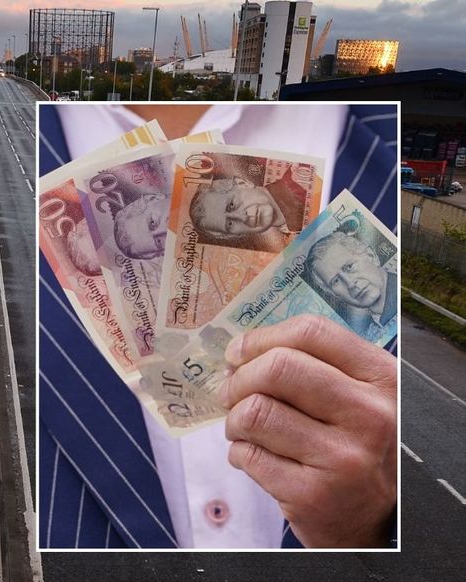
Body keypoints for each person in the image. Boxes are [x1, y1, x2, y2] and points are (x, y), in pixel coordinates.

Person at [39, 102, 398, 549]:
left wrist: (384, 524)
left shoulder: (395, 141)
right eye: (151, 243)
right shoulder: (11, 152)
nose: (241, 221)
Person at [188, 164, 310, 252]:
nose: (242, 217)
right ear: (237, 235)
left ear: (242, 183)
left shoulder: (303, 174)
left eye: (231, 205)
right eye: (229, 224)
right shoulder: (293, 245)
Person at [305, 230, 398, 337]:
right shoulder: (367, 332)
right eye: (336, 281)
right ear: (333, 293)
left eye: (349, 267)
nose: (350, 284)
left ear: (371, 256)